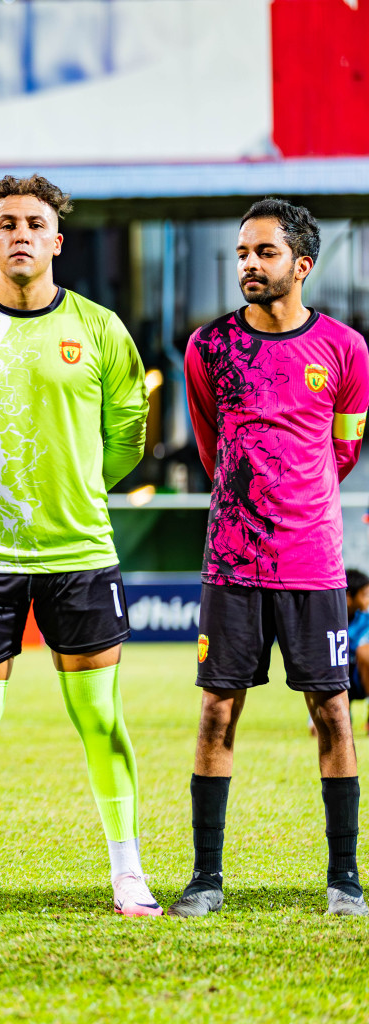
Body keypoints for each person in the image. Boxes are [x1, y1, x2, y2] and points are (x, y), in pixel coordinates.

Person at [0, 175, 156, 919]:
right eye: (6, 222)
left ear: (56, 240)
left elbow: (127, 438)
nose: (20, 233)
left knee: (101, 720)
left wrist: (76, 485)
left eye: (34, 223)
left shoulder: (101, 329)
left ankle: (128, 874)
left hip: (79, 553)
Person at [173, 197, 369, 918]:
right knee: (217, 712)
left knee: (333, 713)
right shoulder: (208, 348)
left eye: (264, 253)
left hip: (312, 562)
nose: (249, 265)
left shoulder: (346, 351)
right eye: (242, 254)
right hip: (231, 561)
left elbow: (342, 449)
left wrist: (295, 498)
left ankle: (344, 878)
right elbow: (209, 443)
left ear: (302, 265)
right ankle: (205, 877)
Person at [347, 570, 369, 734]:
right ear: (348, 597)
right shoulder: (329, 620)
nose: (368, 599)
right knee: (319, 732)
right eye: (364, 594)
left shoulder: (366, 620)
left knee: (364, 652)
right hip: (335, 680)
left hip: (361, 678)